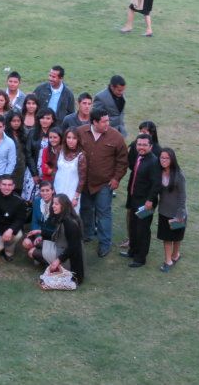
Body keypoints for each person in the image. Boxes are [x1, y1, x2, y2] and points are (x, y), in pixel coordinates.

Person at [75, 108, 128, 257]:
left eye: (108, 120)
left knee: (103, 213)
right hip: (85, 182)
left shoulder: (116, 137)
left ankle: (105, 243)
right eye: (104, 121)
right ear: (94, 122)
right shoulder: (80, 132)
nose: (107, 124)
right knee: (86, 209)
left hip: (104, 184)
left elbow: (123, 160)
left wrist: (116, 178)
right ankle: (87, 234)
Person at [25, 194, 85, 285]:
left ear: (64, 205)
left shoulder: (70, 223)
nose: (53, 206)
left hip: (69, 258)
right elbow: (58, 235)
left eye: (56, 204)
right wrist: (39, 231)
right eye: (53, 203)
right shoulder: (65, 217)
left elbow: (73, 247)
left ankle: (58, 267)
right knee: (37, 243)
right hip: (61, 247)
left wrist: (58, 260)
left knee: (32, 252)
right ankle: (51, 264)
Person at [121, 133, 161, 268]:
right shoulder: (139, 157)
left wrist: (150, 201)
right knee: (133, 227)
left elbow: (157, 184)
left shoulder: (154, 161)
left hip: (145, 203)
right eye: (139, 144)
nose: (141, 147)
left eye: (144, 145)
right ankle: (132, 251)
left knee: (142, 231)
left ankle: (140, 258)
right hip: (134, 199)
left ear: (151, 146)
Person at [156, 148, 186, 272]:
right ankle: (168, 261)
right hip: (164, 211)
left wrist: (180, 214)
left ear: (172, 159)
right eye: (162, 157)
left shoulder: (179, 175)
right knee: (167, 237)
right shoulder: (158, 172)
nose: (163, 160)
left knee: (177, 237)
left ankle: (176, 255)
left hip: (177, 212)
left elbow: (182, 195)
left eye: (166, 158)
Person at [0, 177, 25, 261]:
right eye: (4, 184)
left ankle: (8, 250)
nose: (7, 187)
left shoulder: (19, 201)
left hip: (9, 227)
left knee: (18, 235)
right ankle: (0, 247)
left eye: (9, 185)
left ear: (13, 186)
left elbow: (20, 219)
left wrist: (11, 230)